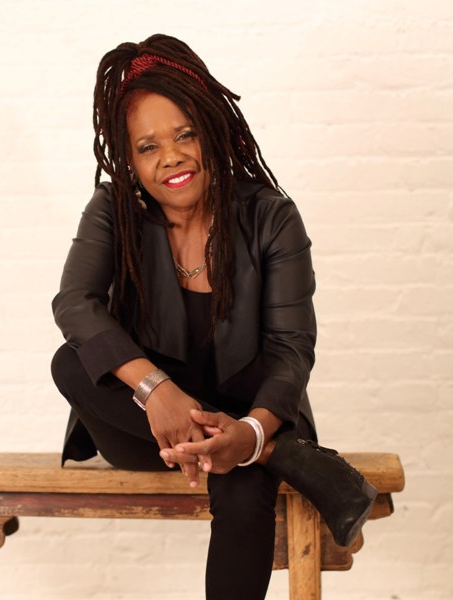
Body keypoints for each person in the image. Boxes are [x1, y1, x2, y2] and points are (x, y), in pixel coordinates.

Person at [51, 33, 377, 600]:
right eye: (148, 146)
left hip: (252, 413)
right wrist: (157, 391)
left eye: (185, 134)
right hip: (145, 428)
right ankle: (273, 456)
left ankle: (255, 450)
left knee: (243, 482)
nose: (171, 156)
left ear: (212, 129)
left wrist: (250, 432)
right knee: (70, 363)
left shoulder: (271, 218)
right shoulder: (113, 210)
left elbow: (291, 349)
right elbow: (75, 303)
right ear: (130, 160)